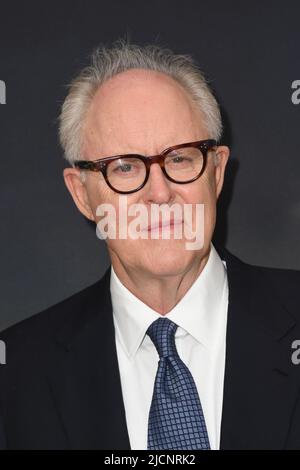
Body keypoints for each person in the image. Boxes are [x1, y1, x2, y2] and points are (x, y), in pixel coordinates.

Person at [0, 40, 300, 450]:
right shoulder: (15, 374)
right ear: (82, 194)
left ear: (215, 173)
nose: (159, 194)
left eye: (179, 158)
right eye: (124, 166)